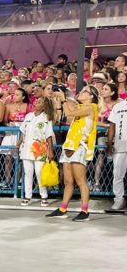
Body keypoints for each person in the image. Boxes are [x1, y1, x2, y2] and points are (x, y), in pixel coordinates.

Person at [47, 86, 100, 221]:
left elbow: (70, 113)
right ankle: (63, 209)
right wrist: (61, 102)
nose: (81, 92)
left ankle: (85, 211)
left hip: (80, 146)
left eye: (85, 91)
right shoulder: (79, 108)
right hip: (69, 146)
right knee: (68, 181)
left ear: (92, 96)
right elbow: (67, 116)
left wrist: (64, 99)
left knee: (80, 181)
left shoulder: (91, 107)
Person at [16, 97, 55, 206]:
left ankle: (44, 195)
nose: (36, 102)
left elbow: (49, 135)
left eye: (39, 102)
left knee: (39, 172)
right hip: (27, 149)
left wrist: (50, 150)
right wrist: (17, 144)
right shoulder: (29, 116)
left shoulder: (46, 118)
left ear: (44, 106)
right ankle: (28, 196)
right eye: (36, 101)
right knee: (28, 173)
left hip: (40, 149)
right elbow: (23, 132)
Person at [106, 94, 127, 212]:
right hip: (120, 146)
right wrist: (109, 143)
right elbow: (112, 125)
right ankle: (119, 199)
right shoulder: (118, 106)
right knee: (117, 174)